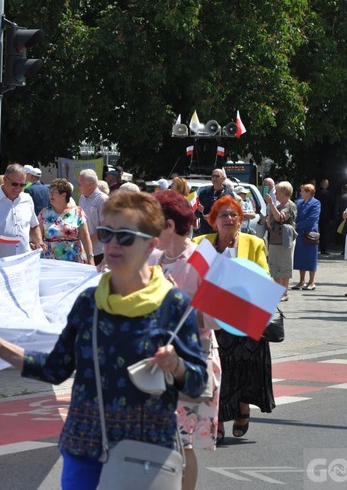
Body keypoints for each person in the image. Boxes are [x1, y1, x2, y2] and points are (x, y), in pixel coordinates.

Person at [0, 191, 207, 487]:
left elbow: (198, 382)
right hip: (85, 445)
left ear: (151, 244)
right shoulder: (89, 301)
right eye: (107, 234)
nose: (113, 244)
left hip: (145, 449)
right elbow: (55, 368)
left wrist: (177, 366)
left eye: (126, 237)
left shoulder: (174, 305)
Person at [151, 190, 221, 490]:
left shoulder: (202, 258)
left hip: (189, 362)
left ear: (168, 225)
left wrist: (175, 298)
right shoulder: (153, 257)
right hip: (154, 360)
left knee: (179, 440)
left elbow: (215, 319)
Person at [194, 195, 274, 442]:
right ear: (212, 220)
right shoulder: (200, 242)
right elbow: (191, 277)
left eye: (233, 215)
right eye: (223, 215)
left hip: (244, 316)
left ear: (240, 221)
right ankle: (216, 420)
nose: (229, 219)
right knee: (219, 370)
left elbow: (264, 276)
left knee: (243, 368)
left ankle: (242, 407)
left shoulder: (254, 243)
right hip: (212, 317)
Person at [38, 178, 94, 264]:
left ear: (64, 195)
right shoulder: (44, 213)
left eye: (54, 192)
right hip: (49, 261)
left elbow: (85, 237)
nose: (50, 195)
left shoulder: (78, 212)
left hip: (73, 259)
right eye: (50, 192)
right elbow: (38, 236)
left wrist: (90, 258)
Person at [264, 181, 297, 300]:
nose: (275, 194)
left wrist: (271, 205)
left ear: (284, 193)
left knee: (284, 264)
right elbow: (270, 223)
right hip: (274, 238)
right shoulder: (277, 206)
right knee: (274, 264)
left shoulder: (290, 205)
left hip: (285, 239)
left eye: (277, 191)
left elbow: (280, 218)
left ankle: (284, 293)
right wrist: (269, 216)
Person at [292, 183, 321, 290]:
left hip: (310, 233)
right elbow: (295, 215)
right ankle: (301, 280)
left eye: (303, 191)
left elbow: (312, 219)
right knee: (300, 257)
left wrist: (298, 225)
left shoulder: (316, 203)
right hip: (299, 233)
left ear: (309, 193)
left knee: (310, 257)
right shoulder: (299, 202)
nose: (300, 193)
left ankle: (311, 281)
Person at [78, 169, 108, 265]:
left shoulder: (103, 200)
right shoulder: (82, 198)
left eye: (80, 183)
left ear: (90, 184)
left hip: (98, 252)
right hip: (83, 251)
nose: (78, 186)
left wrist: (86, 242)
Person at [195, 168, 232, 235]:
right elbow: (196, 213)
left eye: (217, 176)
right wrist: (200, 211)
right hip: (205, 231)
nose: (214, 178)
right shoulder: (204, 193)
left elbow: (230, 214)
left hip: (221, 232)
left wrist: (213, 216)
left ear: (223, 179)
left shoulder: (228, 195)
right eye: (213, 176)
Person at [315, 179, 335, 254]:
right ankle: (323, 249)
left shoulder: (317, 193)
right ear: (327, 185)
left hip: (317, 214)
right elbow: (332, 205)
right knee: (324, 233)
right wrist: (332, 217)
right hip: (326, 215)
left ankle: (315, 247)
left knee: (316, 231)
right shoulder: (330, 194)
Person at [334, 183, 347, 252]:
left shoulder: (340, 197)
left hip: (342, 217)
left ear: (343, 189)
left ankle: (344, 250)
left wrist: (335, 218)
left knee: (343, 234)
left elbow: (337, 208)